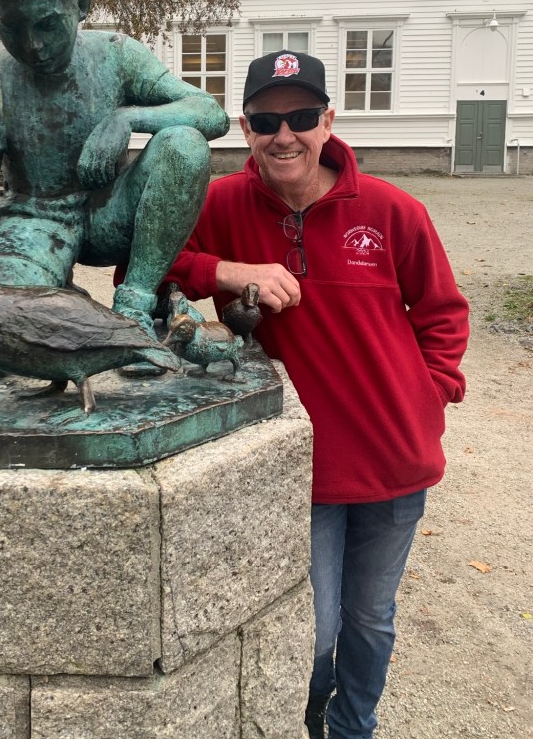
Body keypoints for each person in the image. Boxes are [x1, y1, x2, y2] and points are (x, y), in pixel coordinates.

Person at [166, 49, 469, 739]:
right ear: (245, 128)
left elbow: (443, 313)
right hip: (301, 467)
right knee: (315, 626)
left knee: (370, 618)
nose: (285, 135)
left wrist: (430, 395)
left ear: (328, 121)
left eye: (302, 117)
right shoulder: (220, 204)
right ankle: (306, 713)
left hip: (395, 460)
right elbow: (146, 271)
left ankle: (352, 727)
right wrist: (228, 270)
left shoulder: (392, 210)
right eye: (266, 121)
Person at [0, 0, 229, 371]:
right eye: (12, 28)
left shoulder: (117, 54)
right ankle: (65, 299)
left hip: (109, 215)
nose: (34, 45)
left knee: (184, 144)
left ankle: (134, 308)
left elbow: (211, 113)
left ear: (80, 5)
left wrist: (127, 118)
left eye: (48, 24)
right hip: (34, 224)